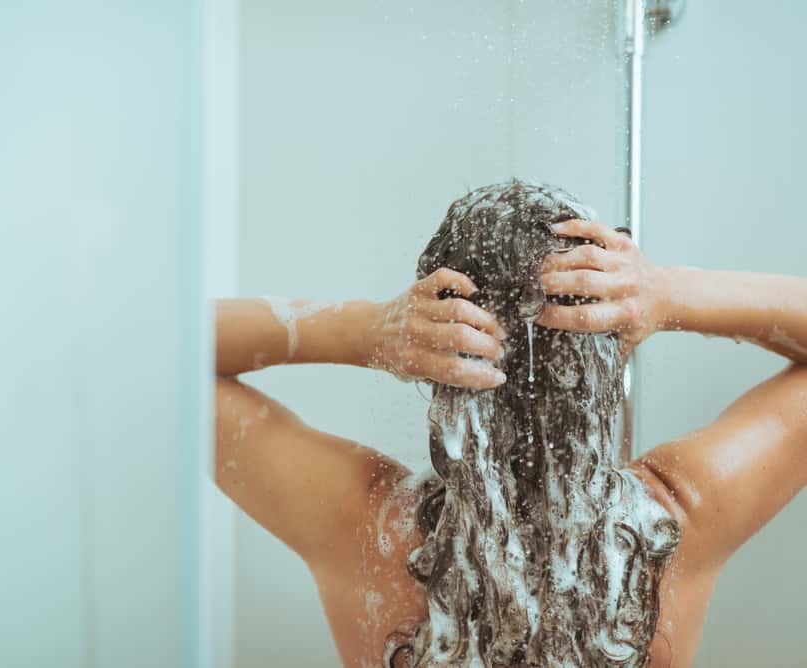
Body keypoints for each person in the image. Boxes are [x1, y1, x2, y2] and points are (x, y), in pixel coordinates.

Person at [214, 180, 807, 667]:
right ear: (604, 354)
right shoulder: (674, 525)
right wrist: (666, 293)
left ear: (436, 352)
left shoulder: (366, 529)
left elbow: (171, 360)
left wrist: (366, 331)